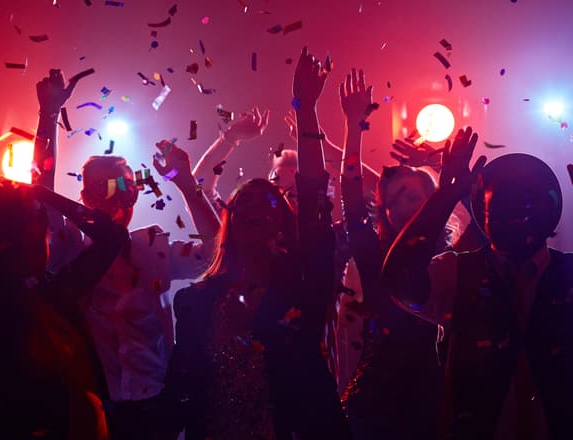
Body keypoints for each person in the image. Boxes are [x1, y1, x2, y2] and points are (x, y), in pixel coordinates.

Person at [164, 47, 351, 439]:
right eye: (244, 206)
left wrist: (306, 109)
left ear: (283, 222)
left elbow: (315, 196)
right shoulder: (196, 303)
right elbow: (181, 394)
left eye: (269, 203)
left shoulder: (304, 286)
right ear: (230, 224)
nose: (256, 209)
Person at [33, 69, 221, 439]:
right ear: (84, 198)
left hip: (157, 413)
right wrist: (49, 113)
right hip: (94, 414)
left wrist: (184, 181)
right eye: (106, 187)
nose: (121, 196)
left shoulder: (151, 248)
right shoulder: (71, 248)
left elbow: (217, 252)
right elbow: (41, 193)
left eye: (129, 187)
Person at [382, 127, 573, 439]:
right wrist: (446, 195)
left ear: (552, 210)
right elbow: (399, 281)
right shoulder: (456, 274)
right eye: (505, 205)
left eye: (529, 203)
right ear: (482, 215)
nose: (519, 216)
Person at [337, 68, 458, 438]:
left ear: (431, 200)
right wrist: (353, 128)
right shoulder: (375, 259)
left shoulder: (453, 260)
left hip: (441, 398)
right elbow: (353, 203)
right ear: (384, 212)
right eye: (395, 198)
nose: (406, 203)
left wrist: (450, 179)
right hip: (378, 402)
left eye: (414, 195)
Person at [0, 178, 128, 439]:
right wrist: (44, 194)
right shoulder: (55, 295)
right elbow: (112, 238)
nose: (43, 248)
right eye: (38, 240)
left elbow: (113, 238)